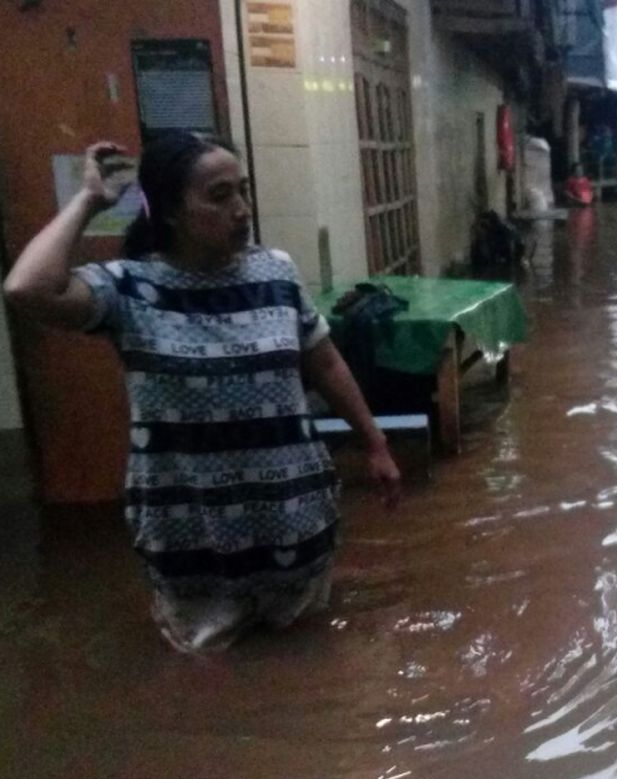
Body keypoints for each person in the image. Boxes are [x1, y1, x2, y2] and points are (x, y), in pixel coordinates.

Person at [2, 134, 402, 653]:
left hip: (292, 520)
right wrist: (91, 201)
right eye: (218, 196)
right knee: (207, 675)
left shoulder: (276, 272)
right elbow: (25, 289)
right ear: (169, 210)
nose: (240, 210)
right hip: (191, 531)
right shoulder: (129, 290)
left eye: (243, 191)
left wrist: (375, 444)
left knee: (310, 655)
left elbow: (323, 361)